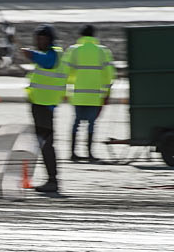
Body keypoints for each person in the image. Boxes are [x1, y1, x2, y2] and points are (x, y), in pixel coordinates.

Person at [21, 24, 68, 194]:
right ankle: (51, 179)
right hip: (40, 105)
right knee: (44, 144)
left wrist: (31, 54)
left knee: (47, 144)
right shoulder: (50, 54)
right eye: (38, 39)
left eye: (43, 39)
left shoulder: (53, 54)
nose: (39, 42)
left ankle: (52, 181)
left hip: (44, 107)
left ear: (50, 40)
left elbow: (47, 62)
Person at [62, 25, 115, 163]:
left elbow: (65, 73)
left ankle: (72, 153)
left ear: (81, 36)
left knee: (76, 123)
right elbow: (109, 75)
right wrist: (107, 93)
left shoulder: (74, 50)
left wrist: (64, 91)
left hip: (78, 94)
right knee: (92, 123)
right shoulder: (103, 51)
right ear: (94, 36)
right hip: (95, 95)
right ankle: (90, 153)